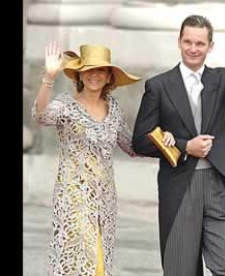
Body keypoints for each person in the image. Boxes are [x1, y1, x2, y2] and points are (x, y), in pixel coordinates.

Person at [132, 12, 225, 276]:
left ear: (210, 46)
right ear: (179, 42)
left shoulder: (223, 80)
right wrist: (184, 146)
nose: (193, 49)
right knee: (181, 271)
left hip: (217, 185)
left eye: (200, 43)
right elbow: (140, 141)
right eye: (188, 42)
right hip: (180, 187)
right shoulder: (159, 86)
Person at [32, 42, 173, 276]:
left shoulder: (114, 108)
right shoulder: (66, 105)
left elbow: (132, 146)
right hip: (74, 198)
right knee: (80, 260)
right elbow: (41, 116)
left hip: (105, 199)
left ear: (109, 77)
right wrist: (48, 78)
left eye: (100, 70)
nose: (94, 75)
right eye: (88, 69)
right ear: (79, 74)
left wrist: (164, 138)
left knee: (100, 261)